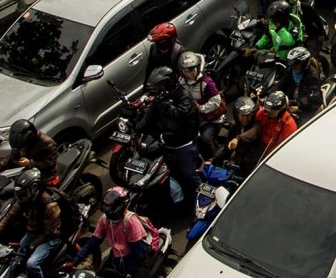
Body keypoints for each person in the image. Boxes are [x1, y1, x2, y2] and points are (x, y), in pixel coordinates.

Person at [135, 66, 200, 208]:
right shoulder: (160, 98)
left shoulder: (184, 95)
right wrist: (137, 128)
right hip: (166, 142)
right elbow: (149, 117)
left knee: (189, 175)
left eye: (161, 85)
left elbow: (180, 114)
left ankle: (201, 200)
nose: (159, 88)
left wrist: (164, 106)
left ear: (169, 82)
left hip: (184, 143)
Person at [65, 187, 160, 277]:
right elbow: (93, 242)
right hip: (117, 256)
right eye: (105, 206)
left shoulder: (131, 222)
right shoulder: (105, 219)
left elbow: (137, 252)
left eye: (109, 206)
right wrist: (75, 261)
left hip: (136, 258)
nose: (106, 209)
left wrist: (129, 273)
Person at [0, 168, 65, 278]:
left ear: (35, 189)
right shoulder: (25, 199)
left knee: (32, 264)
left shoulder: (50, 206)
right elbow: (10, 216)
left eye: (24, 193)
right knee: (15, 260)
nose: (21, 197)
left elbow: (50, 233)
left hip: (50, 238)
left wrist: (33, 244)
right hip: (33, 233)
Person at [178, 52, 226, 155]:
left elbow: (216, 101)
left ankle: (213, 159)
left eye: (192, 69)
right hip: (192, 118)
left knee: (205, 139)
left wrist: (200, 108)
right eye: (186, 70)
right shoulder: (181, 82)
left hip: (209, 120)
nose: (189, 73)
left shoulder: (207, 83)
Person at [0, 119, 59, 183]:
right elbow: (12, 156)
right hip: (26, 172)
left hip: (44, 176)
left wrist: (30, 163)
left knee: (43, 196)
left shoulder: (48, 144)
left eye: (22, 148)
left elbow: (49, 165)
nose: (21, 150)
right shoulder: (22, 144)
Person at [220, 97, 266, 174]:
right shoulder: (234, 127)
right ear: (237, 115)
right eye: (242, 116)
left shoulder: (257, 126)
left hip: (253, 166)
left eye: (248, 115)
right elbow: (227, 148)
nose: (245, 119)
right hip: (238, 163)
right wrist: (212, 159)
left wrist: (237, 139)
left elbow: (252, 133)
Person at [282, 46, 325, 120]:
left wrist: (299, 106)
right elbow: (281, 84)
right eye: (292, 64)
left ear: (304, 63)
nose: (293, 67)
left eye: (296, 64)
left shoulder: (312, 75)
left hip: (307, 107)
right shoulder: (290, 71)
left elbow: (314, 97)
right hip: (292, 102)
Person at [256, 90, 298, 159]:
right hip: (257, 149)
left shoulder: (289, 126)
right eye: (268, 109)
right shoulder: (262, 113)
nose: (270, 111)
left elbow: (287, 150)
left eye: (273, 109)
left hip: (272, 157)